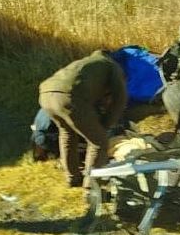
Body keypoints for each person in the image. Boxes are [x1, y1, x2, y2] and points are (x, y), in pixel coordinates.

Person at [38, 50, 127, 188]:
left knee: (67, 134)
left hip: (45, 95)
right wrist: (105, 124)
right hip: (68, 96)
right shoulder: (111, 65)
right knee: (98, 141)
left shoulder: (85, 63)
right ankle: (92, 185)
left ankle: (72, 178)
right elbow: (120, 99)